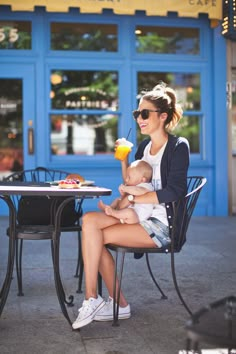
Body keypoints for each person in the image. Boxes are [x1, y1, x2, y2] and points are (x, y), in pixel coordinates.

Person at [72, 81, 190, 330]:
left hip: (161, 225)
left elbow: (176, 191)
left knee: (97, 236)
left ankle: (101, 300)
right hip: (137, 215)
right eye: (138, 113)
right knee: (89, 222)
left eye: (145, 113)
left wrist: (133, 198)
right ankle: (99, 300)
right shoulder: (143, 148)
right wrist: (123, 162)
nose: (139, 118)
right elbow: (131, 181)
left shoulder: (178, 147)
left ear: (163, 116)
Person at [99, 159, 155, 225]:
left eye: (129, 177)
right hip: (128, 213)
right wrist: (123, 194)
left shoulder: (146, 186)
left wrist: (125, 188)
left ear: (143, 179)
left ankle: (113, 213)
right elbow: (127, 199)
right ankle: (109, 208)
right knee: (118, 200)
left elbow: (138, 191)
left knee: (130, 212)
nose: (126, 179)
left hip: (138, 218)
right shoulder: (135, 186)